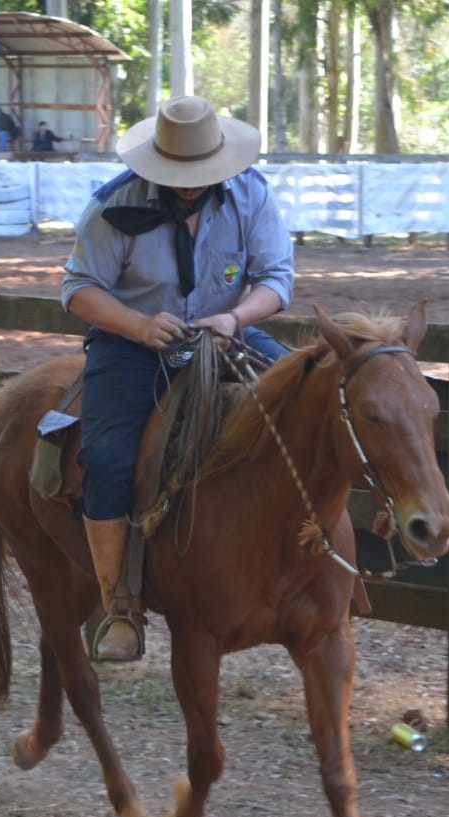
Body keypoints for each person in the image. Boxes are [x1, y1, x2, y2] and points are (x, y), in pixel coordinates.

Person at [60, 95, 293, 661]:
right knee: (107, 458)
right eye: (178, 174)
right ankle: (120, 605)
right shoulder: (112, 205)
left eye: (200, 173)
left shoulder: (252, 195)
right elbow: (78, 290)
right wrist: (138, 325)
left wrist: (235, 318)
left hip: (227, 332)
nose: (189, 186)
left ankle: (327, 558)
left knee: (304, 400)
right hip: (131, 347)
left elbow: (276, 279)